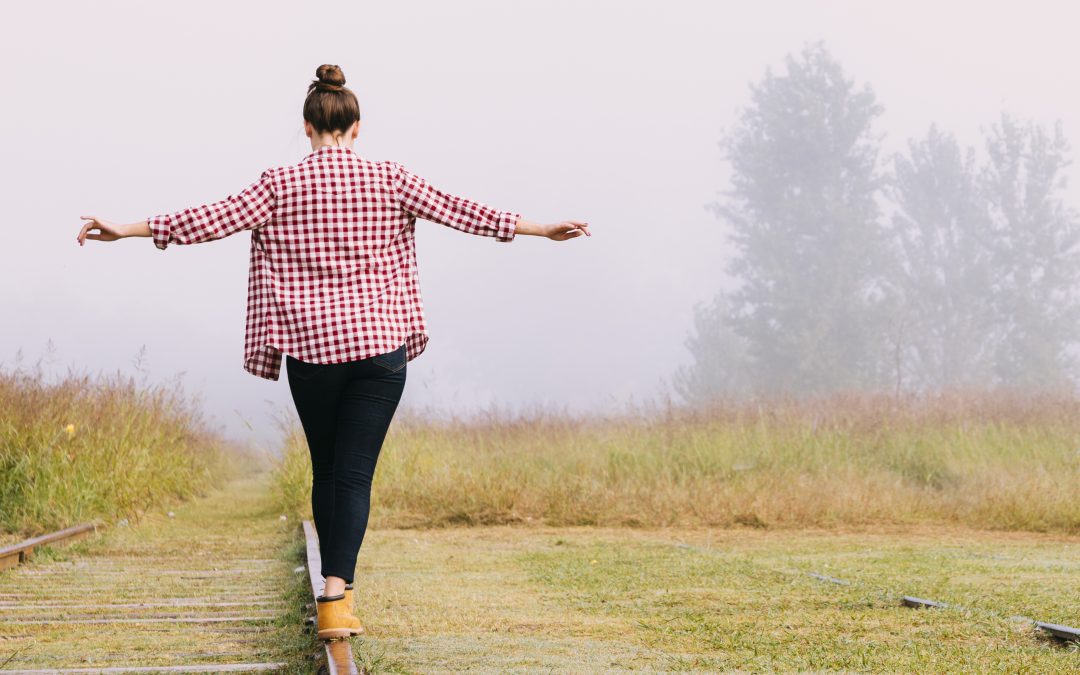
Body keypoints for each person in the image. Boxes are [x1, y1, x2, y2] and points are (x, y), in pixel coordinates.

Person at [75, 63, 590, 640]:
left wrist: (125, 229)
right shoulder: (390, 178)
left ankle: (334, 593)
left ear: (306, 127)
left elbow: (205, 220)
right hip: (378, 350)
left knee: (327, 469)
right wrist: (541, 228)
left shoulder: (278, 184)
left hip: (310, 352)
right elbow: (464, 211)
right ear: (357, 127)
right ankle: (335, 596)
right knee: (354, 476)